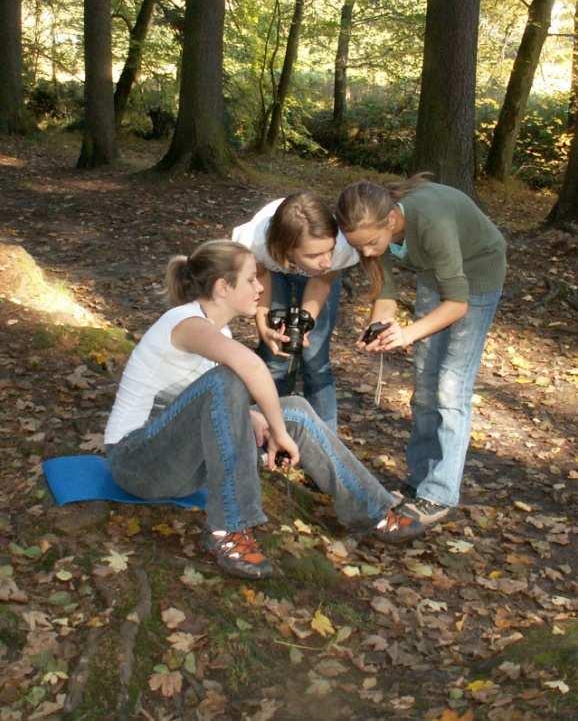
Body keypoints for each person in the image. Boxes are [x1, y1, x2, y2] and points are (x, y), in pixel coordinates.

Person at [104, 240, 401, 580]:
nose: (261, 287)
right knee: (232, 379)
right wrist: (276, 430)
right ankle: (229, 529)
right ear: (222, 287)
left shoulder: (220, 330)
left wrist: (257, 417)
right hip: (135, 462)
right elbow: (247, 369)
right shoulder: (185, 323)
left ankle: (375, 511)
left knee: (296, 410)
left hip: (179, 464)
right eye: (250, 280)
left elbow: (203, 401)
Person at [335, 176, 506, 542]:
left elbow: (457, 304)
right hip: (436, 275)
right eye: (357, 247)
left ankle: (439, 493)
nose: (366, 253)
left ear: (391, 222)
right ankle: (418, 483)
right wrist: (380, 325)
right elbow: (386, 291)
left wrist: (409, 333)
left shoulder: (433, 223)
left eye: (370, 244)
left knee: (450, 386)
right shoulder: (375, 228)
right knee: (426, 383)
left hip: (476, 276)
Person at [232, 193, 359, 431]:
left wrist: (304, 323)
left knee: (315, 360)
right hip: (271, 272)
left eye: (328, 251)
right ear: (286, 250)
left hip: (316, 283)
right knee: (275, 356)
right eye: (314, 255)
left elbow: (321, 281)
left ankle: (325, 442)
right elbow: (261, 278)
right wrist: (264, 326)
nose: (327, 261)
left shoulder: (339, 246)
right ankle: (266, 431)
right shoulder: (255, 244)